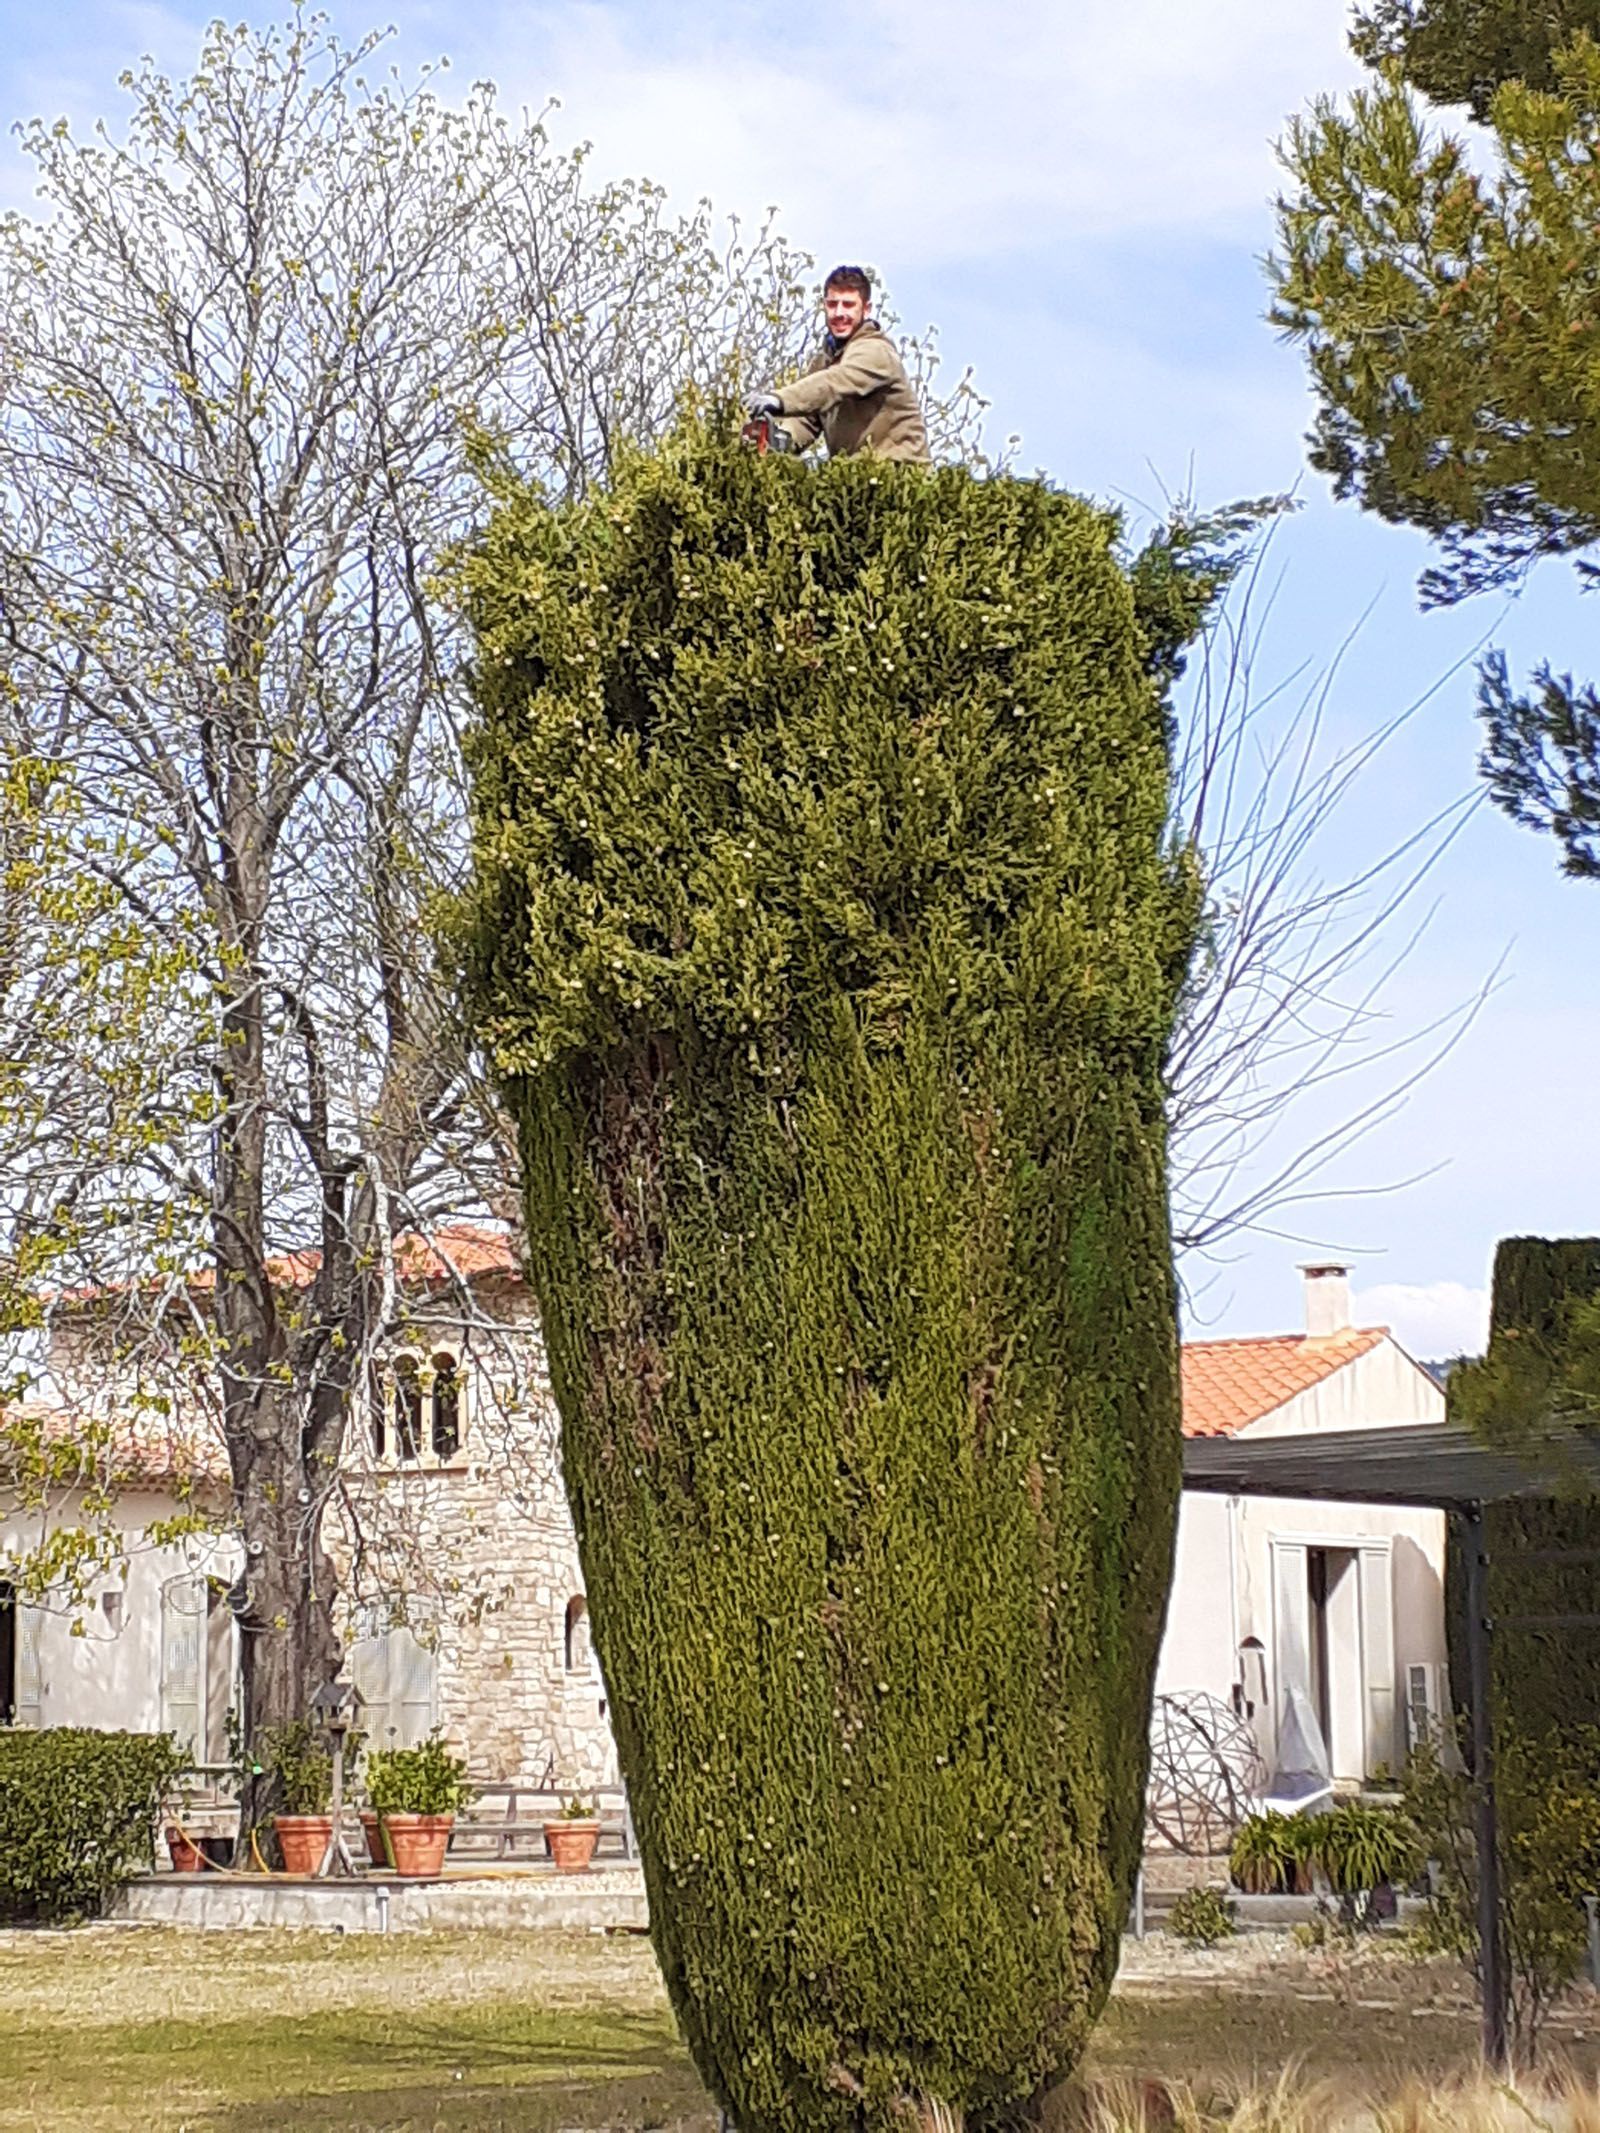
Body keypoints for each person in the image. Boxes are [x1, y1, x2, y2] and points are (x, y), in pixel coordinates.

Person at [745, 265, 931, 464]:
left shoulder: (876, 351)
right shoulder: (825, 360)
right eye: (833, 304)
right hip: (852, 479)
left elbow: (834, 383)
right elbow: (808, 416)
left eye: (848, 305)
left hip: (901, 478)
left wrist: (779, 400)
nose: (839, 313)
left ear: (866, 309)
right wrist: (781, 439)